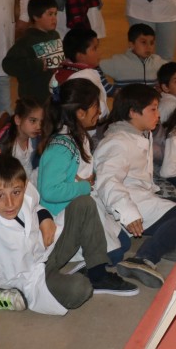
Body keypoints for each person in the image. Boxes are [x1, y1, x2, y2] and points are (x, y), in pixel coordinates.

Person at [0, 155, 138, 336]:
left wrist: (45, 218)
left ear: (25, 186)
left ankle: (98, 274)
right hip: (25, 279)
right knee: (80, 290)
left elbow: (35, 206)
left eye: (16, 192)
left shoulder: (26, 193)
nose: (10, 203)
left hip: (45, 249)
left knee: (85, 203)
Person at [94, 84, 176, 288]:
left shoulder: (140, 133)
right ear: (133, 112)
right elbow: (107, 180)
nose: (158, 115)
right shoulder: (117, 142)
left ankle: (170, 242)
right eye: (153, 109)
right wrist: (127, 212)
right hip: (126, 201)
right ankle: (142, 258)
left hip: (140, 195)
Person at [37, 79, 130, 265]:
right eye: (96, 106)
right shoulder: (61, 147)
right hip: (65, 214)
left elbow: (83, 167)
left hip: (83, 202)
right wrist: (83, 186)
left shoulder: (78, 135)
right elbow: (50, 191)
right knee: (114, 255)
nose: (100, 110)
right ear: (80, 113)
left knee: (125, 242)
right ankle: (80, 264)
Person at [2, 0, 65, 103]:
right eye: (50, 14)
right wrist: (37, 64)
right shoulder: (26, 40)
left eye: (55, 14)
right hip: (34, 97)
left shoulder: (55, 35)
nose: (54, 18)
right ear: (36, 17)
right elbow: (8, 64)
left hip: (54, 92)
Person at [53, 28, 112, 119]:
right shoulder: (88, 76)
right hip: (90, 127)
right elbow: (100, 109)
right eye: (94, 49)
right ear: (80, 56)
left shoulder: (60, 70)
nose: (99, 52)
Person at [100, 23, 168, 90]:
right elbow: (93, 68)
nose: (149, 47)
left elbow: (175, 72)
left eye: (152, 43)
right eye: (143, 42)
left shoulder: (157, 61)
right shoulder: (117, 62)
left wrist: (163, 88)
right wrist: (109, 90)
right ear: (131, 44)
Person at [0, 97, 44, 180]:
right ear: (18, 120)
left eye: (41, 122)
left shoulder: (35, 139)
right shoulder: (4, 149)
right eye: (33, 121)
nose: (38, 126)